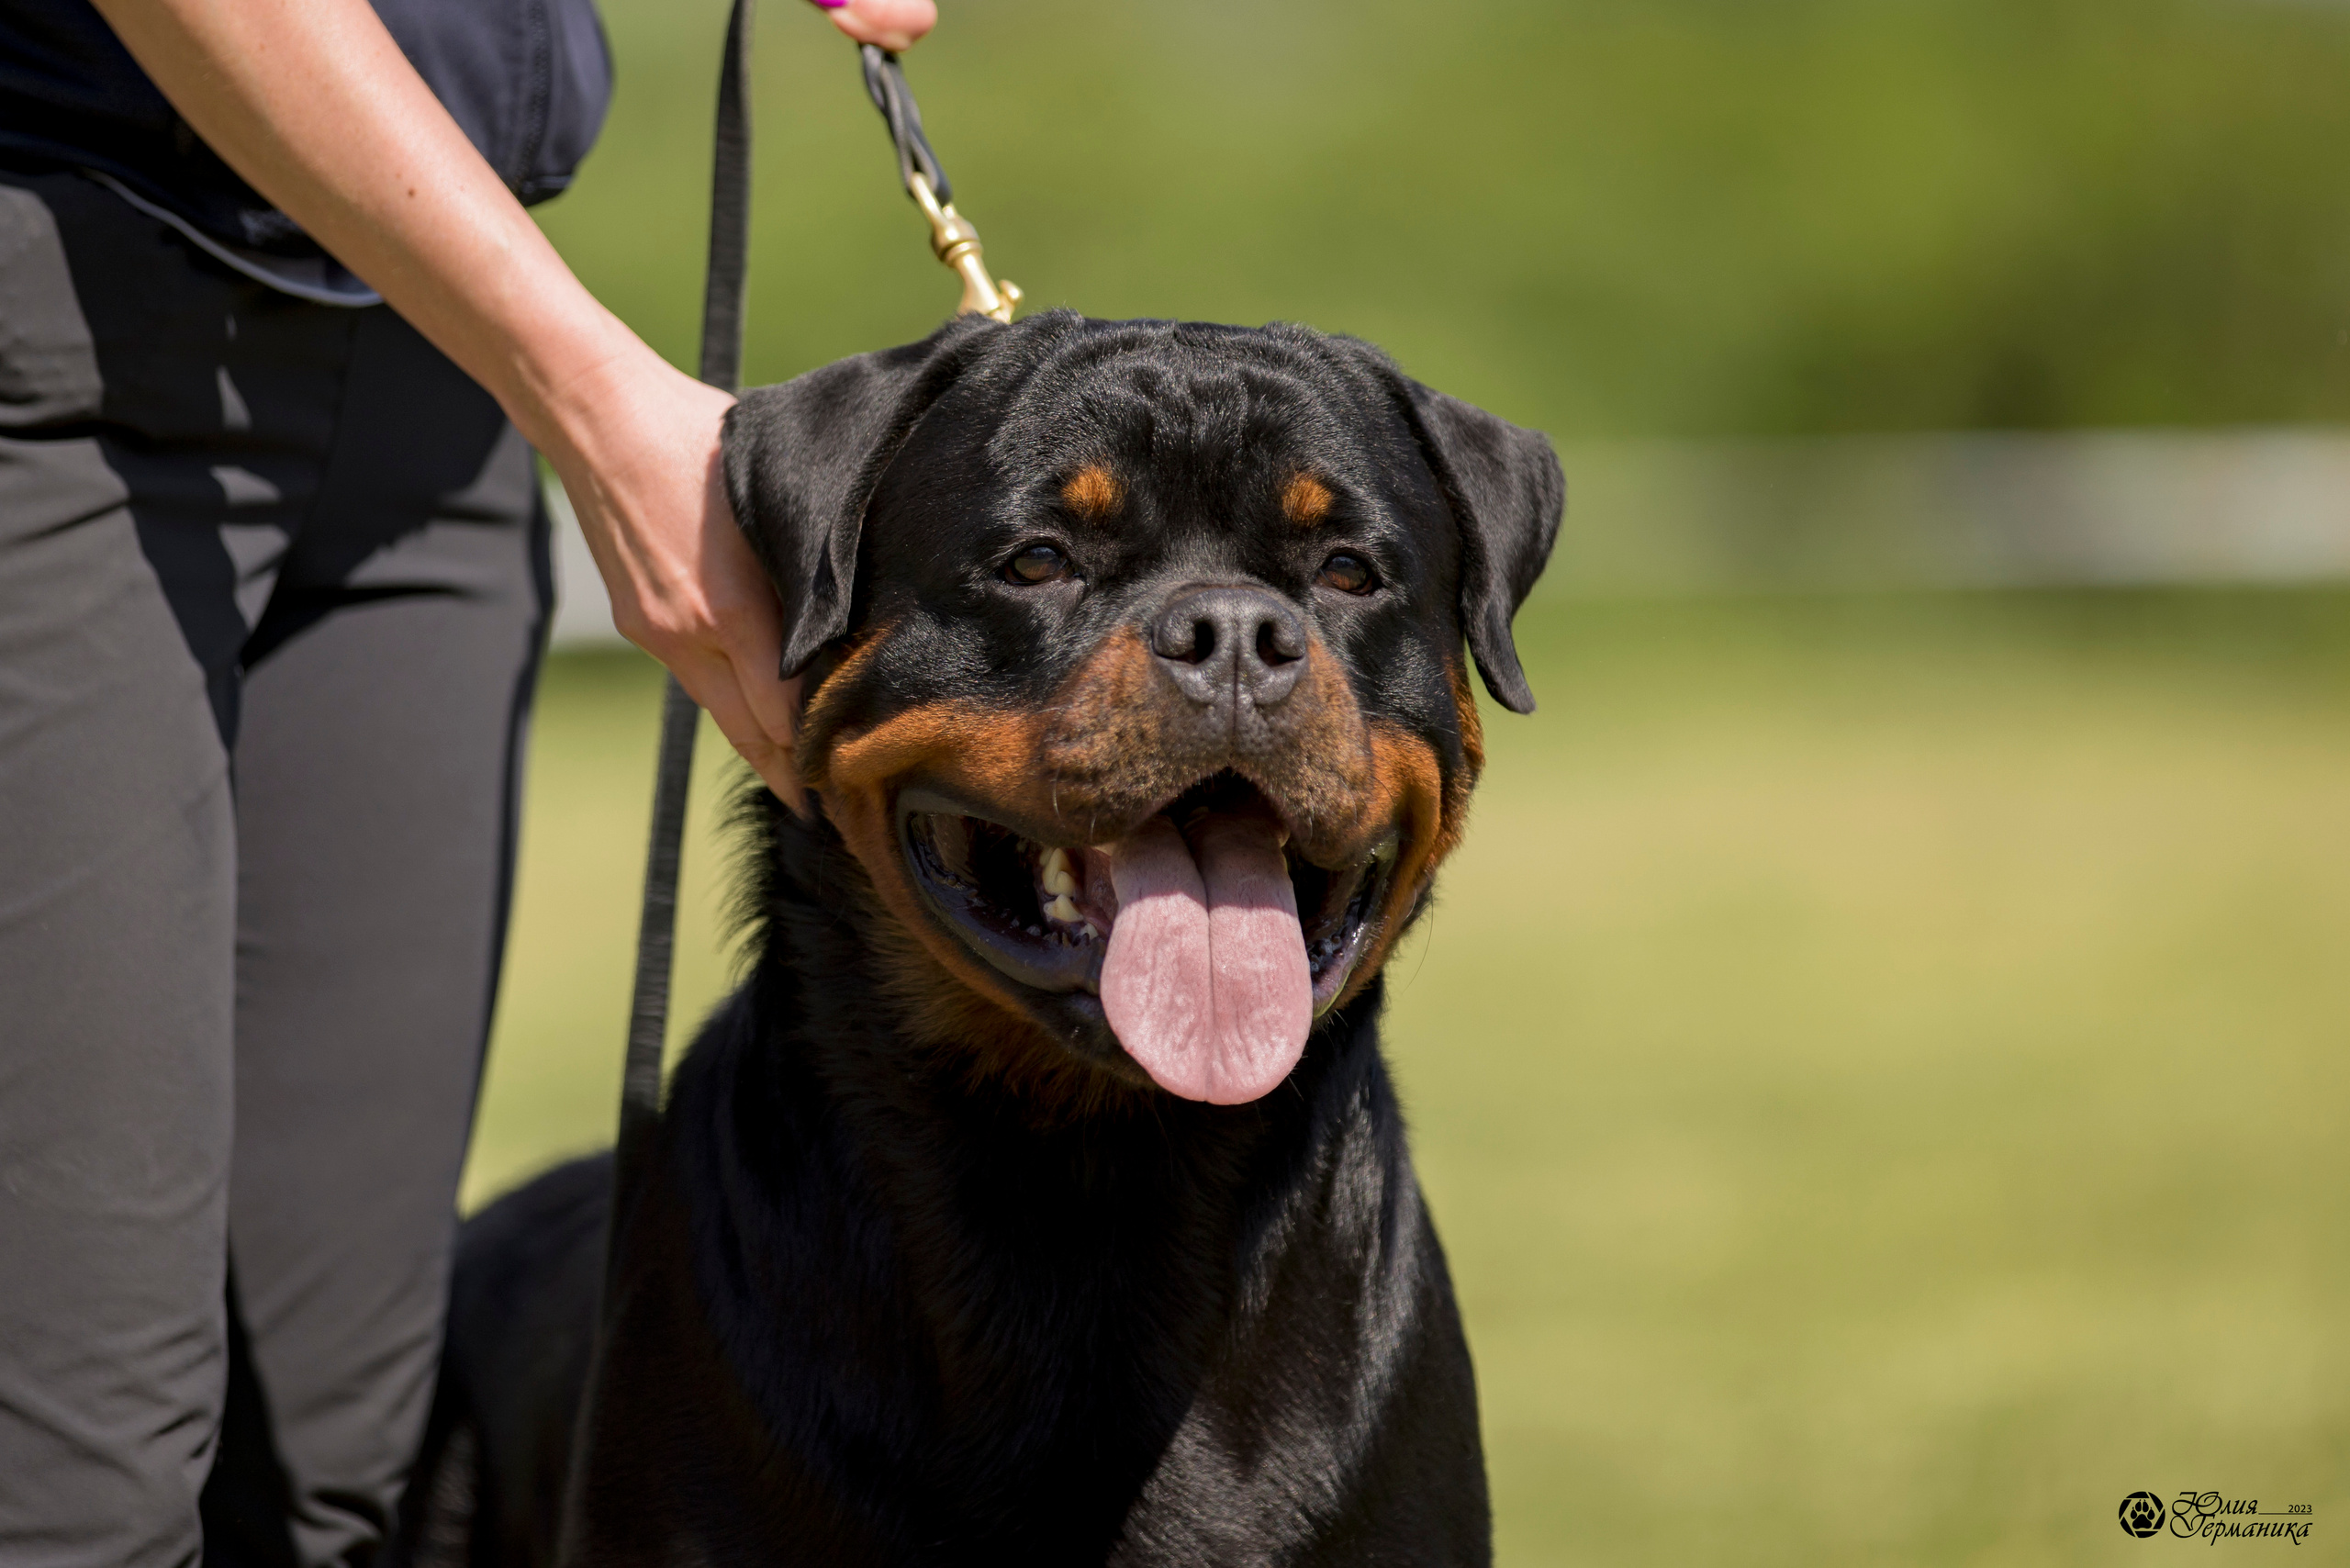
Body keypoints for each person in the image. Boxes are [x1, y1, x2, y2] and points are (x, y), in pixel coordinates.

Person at [0, 0, 934, 1561]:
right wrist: (584, 391)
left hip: (424, 385)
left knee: (331, 1468)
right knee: (75, 1481)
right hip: (64, 315)